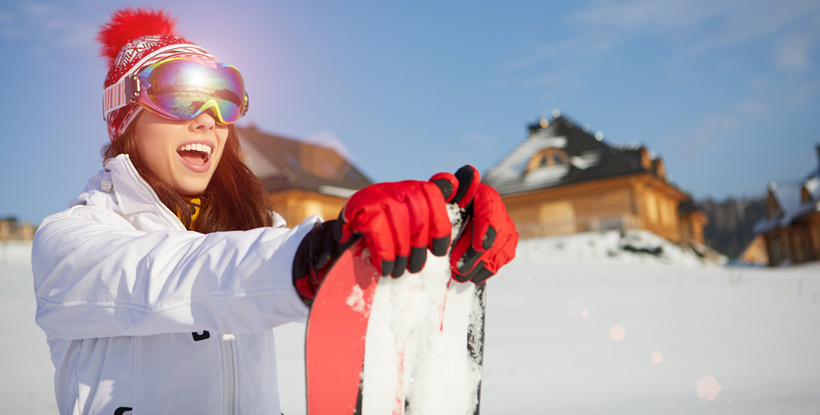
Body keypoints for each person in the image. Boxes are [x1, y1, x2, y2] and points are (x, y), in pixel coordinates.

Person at [31, 7, 518, 415]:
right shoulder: (71, 241)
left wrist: (444, 223)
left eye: (224, 99)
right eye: (180, 96)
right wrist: (316, 255)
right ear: (126, 120)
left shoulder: (252, 228)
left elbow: (273, 248)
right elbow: (177, 274)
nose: (208, 118)